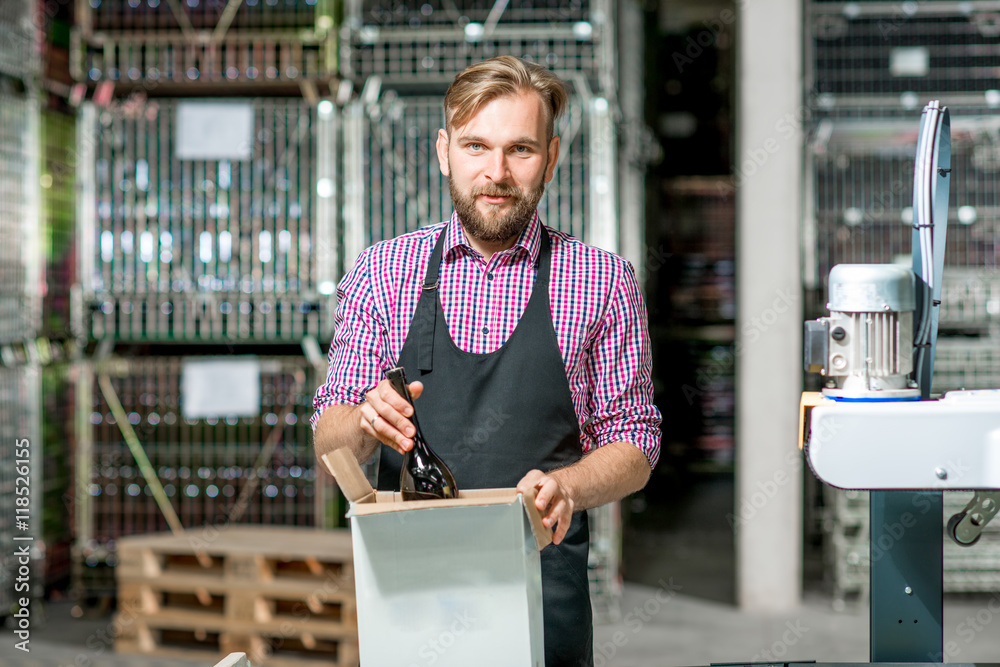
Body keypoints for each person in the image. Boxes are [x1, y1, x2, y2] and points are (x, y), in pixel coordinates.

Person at [312, 55, 661, 667]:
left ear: (551, 158)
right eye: (476, 146)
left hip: (544, 594)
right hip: (415, 597)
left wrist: (568, 486)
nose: (496, 173)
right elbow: (328, 438)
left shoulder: (602, 282)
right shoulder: (382, 273)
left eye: (519, 150)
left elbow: (636, 445)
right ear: (444, 151)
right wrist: (366, 420)